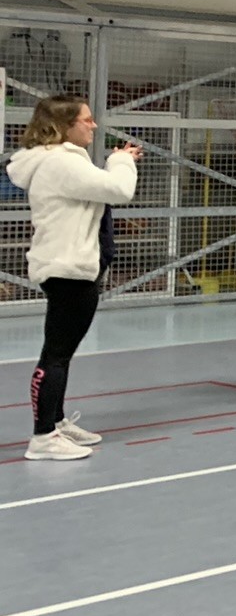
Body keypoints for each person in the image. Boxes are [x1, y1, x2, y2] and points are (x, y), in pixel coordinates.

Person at [7, 94, 139, 460]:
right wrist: (122, 160)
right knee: (56, 356)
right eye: (87, 120)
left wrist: (118, 163)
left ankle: (56, 421)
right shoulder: (59, 164)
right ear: (64, 127)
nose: (93, 126)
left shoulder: (60, 162)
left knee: (61, 353)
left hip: (72, 267)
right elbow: (119, 189)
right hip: (68, 270)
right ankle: (43, 437)